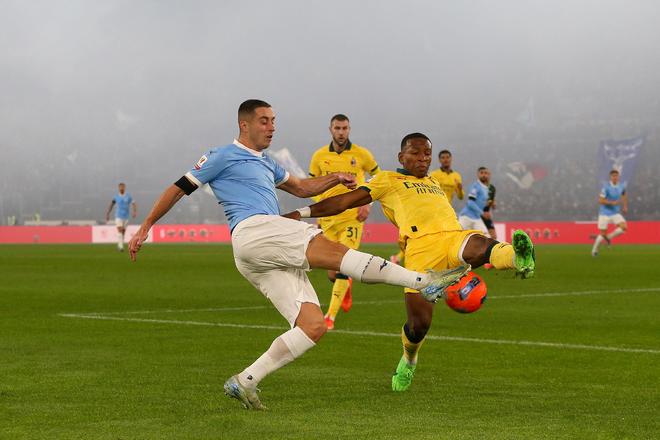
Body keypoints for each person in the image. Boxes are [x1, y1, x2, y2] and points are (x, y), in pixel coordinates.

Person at [128, 100, 469, 410]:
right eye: (264, 121)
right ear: (244, 125)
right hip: (255, 228)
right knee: (336, 252)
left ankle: (245, 381)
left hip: (255, 254)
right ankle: (423, 281)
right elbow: (179, 188)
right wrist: (145, 226)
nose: (272, 127)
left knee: (313, 326)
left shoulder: (268, 163)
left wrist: (335, 178)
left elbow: (303, 188)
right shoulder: (221, 156)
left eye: (274, 121)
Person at [283, 132, 535, 393]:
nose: (423, 158)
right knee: (418, 326)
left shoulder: (433, 181)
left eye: (427, 153)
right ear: (401, 156)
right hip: (421, 249)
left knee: (482, 245)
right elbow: (343, 202)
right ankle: (409, 359)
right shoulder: (387, 180)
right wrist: (302, 213)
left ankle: (518, 258)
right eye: (415, 153)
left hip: (454, 237)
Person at [308, 114, 381, 330]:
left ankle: (330, 316)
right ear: (330, 129)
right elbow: (312, 185)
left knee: (344, 263)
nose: (341, 132)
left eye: (345, 128)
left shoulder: (362, 154)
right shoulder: (319, 156)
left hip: (352, 217)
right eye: (337, 128)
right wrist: (320, 208)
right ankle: (345, 285)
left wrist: (368, 203)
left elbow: (378, 178)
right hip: (329, 218)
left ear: (349, 129)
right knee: (333, 270)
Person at [390, 149, 464, 265]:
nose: (445, 160)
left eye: (447, 157)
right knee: (421, 236)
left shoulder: (456, 176)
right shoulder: (434, 175)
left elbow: (460, 197)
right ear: (439, 160)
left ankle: (444, 261)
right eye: (443, 158)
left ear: (451, 159)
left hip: (445, 212)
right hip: (431, 210)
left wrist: (459, 189)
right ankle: (399, 257)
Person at [592, 169, 628, 256]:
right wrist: (611, 203)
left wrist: (625, 206)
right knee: (602, 233)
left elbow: (624, 194)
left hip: (615, 212)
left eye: (616, 176)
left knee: (624, 227)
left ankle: (608, 238)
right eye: (613, 176)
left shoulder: (621, 186)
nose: (615, 177)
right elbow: (600, 200)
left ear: (618, 177)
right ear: (610, 177)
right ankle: (594, 250)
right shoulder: (606, 187)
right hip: (604, 213)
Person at [458, 167, 492, 236]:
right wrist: (482, 213)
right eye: (481, 173)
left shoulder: (487, 189)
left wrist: (488, 212)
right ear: (478, 174)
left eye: (485, 173)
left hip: (477, 218)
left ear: (489, 175)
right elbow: (470, 202)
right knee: (458, 237)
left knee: (487, 237)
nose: (484, 175)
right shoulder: (475, 186)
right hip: (466, 217)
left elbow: (482, 204)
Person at [105, 182, 137, 251]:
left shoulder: (128, 196)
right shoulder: (116, 197)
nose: (121, 188)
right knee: (120, 229)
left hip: (126, 216)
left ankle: (120, 244)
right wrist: (108, 213)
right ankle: (120, 246)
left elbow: (133, 203)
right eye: (120, 187)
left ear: (124, 188)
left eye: (123, 187)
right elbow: (111, 204)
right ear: (118, 188)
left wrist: (134, 212)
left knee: (123, 231)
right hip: (118, 216)